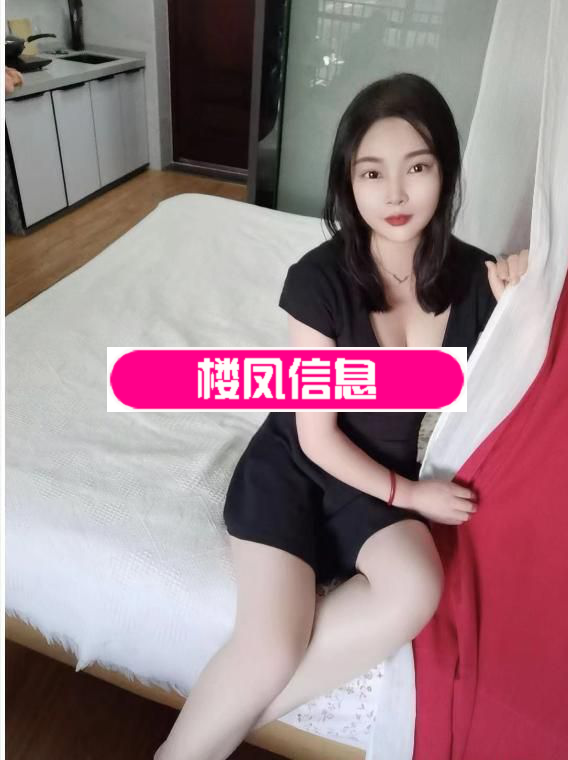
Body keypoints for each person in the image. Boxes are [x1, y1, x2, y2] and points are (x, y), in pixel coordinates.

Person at [154, 73, 528, 760]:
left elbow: (520, 388)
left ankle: (221, 723)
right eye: (371, 173)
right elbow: (316, 436)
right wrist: (414, 496)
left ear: (445, 171)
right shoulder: (318, 279)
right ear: (347, 183)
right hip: (297, 467)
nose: (395, 195)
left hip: (372, 485)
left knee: (415, 586)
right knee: (272, 645)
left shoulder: (481, 283)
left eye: (417, 168)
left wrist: (519, 313)